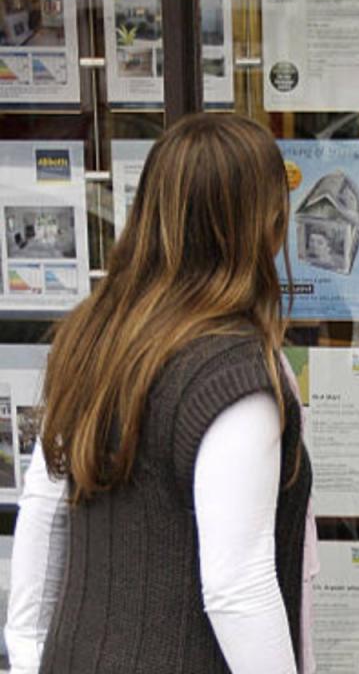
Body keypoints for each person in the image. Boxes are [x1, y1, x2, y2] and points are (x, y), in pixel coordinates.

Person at [4, 113, 316, 673]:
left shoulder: (93, 335)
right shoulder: (236, 377)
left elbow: (44, 509)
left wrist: (27, 654)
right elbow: (236, 586)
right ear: (263, 225)